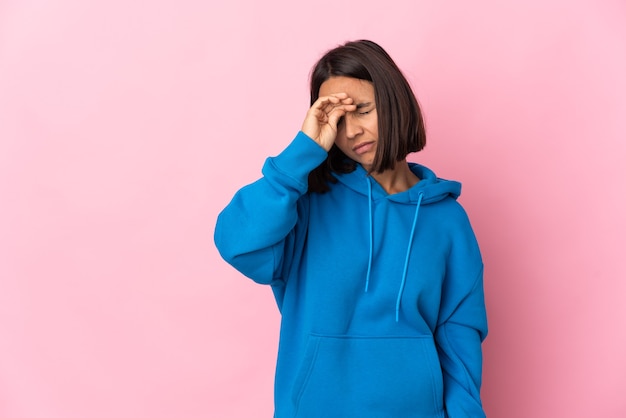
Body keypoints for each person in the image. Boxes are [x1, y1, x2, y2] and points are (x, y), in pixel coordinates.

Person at [214, 39, 488, 417]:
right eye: (337, 122)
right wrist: (302, 151)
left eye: (362, 110)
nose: (352, 132)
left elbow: (459, 341)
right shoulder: (304, 204)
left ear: (394, 101)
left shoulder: (446, 220)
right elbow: (237, 244)